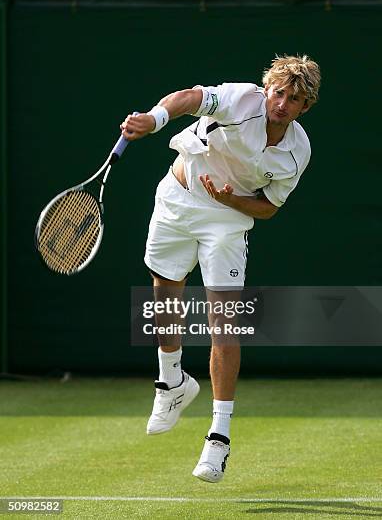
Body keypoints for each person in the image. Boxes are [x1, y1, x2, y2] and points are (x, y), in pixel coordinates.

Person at [120, 54, 321, 483]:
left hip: (228, 220)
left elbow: (268, 208)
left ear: (306, 107)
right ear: (268, 90)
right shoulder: (239, 99)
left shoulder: (297, 151)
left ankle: (218, 438)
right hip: (177, 197)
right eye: (279, 92)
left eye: (295, 99)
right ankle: (171, 383)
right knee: (164, 294)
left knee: (225, 325)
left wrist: (231, 201)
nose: (282, 103)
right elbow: (190, 98)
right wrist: (155, 119)